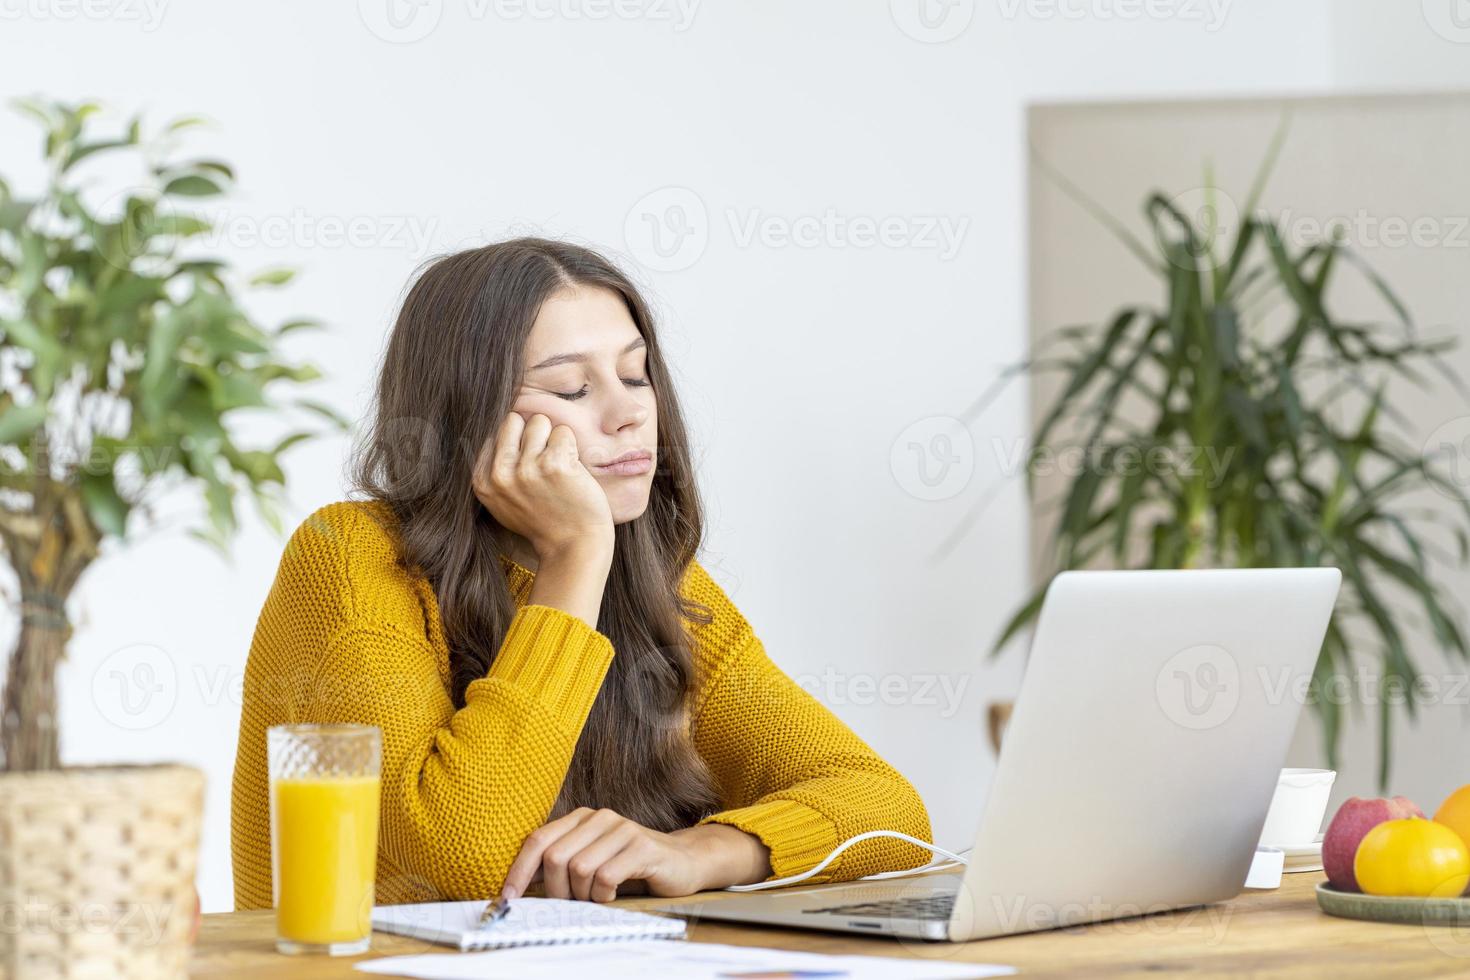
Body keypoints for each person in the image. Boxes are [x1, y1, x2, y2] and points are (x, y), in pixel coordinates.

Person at [229, 237, 932, 909]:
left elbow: (889, 812)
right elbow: (463, 849)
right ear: (466, 417)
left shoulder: (660, 587)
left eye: (635, 374)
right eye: (570, 389)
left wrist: (699, 852)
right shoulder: (351, 555)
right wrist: (576, 556)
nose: (629, 413)